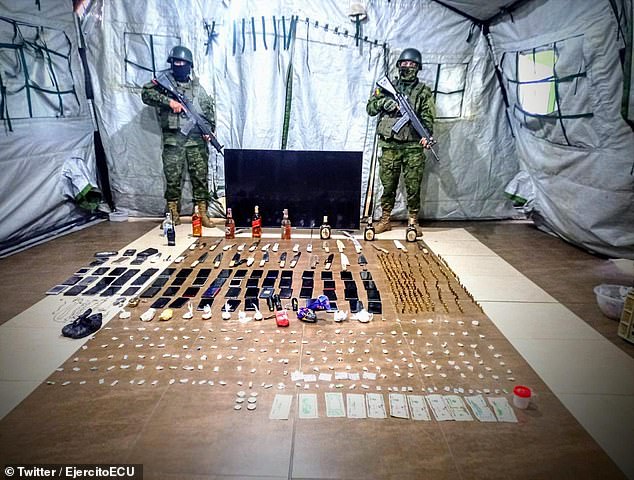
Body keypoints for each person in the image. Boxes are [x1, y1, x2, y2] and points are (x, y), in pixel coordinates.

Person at [141, 45, 215, 227]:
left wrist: (209, 130)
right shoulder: (164, 83)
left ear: (189, 65)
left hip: (196, 140)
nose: (179, 65)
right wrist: (169, 102)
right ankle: (173, 213)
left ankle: (202, 213)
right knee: (173, 177)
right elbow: (145, 93)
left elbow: (207, 110)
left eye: (183, 62)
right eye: (176, 61)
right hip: (174, 139)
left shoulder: (197, 88)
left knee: (200, 177)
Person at [366, 47, 436, 235]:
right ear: (398, 66)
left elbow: (428, 117)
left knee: (413, 185)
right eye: (404, 63)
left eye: (412, 64)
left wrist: (426, 135)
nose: (407, 67)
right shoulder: (386, 87)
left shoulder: (423, 92)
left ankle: (413, 221)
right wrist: (383, 103)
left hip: (413, 147)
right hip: (389, 146)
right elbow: (370, 108)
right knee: (388, 184)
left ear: (418, 67)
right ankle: (385, 219)